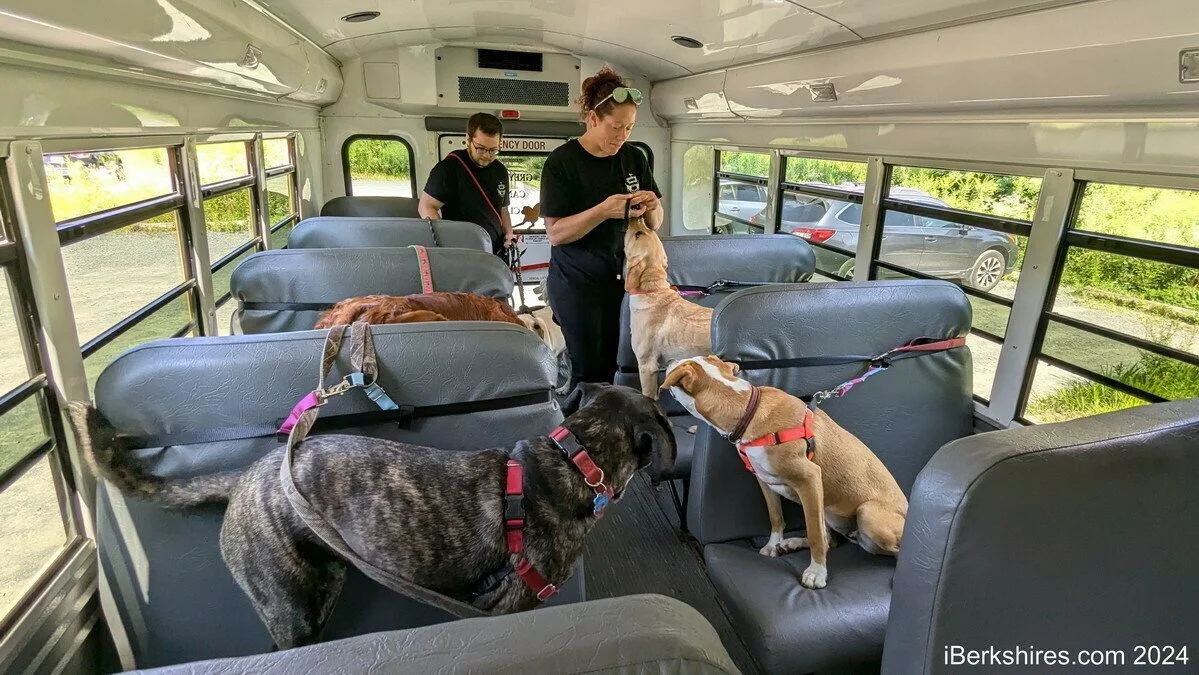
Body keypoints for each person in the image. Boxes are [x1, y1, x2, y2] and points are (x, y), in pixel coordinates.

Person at [540, 66, 662, 391]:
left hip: (623, 281)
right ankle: (580, 422)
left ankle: (611, 418)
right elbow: (556, 233)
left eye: (629, 128)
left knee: (618, 365)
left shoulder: (634, 158)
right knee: (588, 371)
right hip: (576, 283)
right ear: (593, 119)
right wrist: (604, 210)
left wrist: (653, 206)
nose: (622, 136)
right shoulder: (562, 163)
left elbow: (655, 224)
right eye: (616, 127)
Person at [419, 112, 515, 255]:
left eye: (493, 150)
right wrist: (445, 242)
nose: (486, 155)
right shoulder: (449, 168)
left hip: (495, 252)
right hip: (462, 252)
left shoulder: (500, 170)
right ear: (468, 139)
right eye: (481, 148)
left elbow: (503, 209)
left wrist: (509, 233)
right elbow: (426, 206)